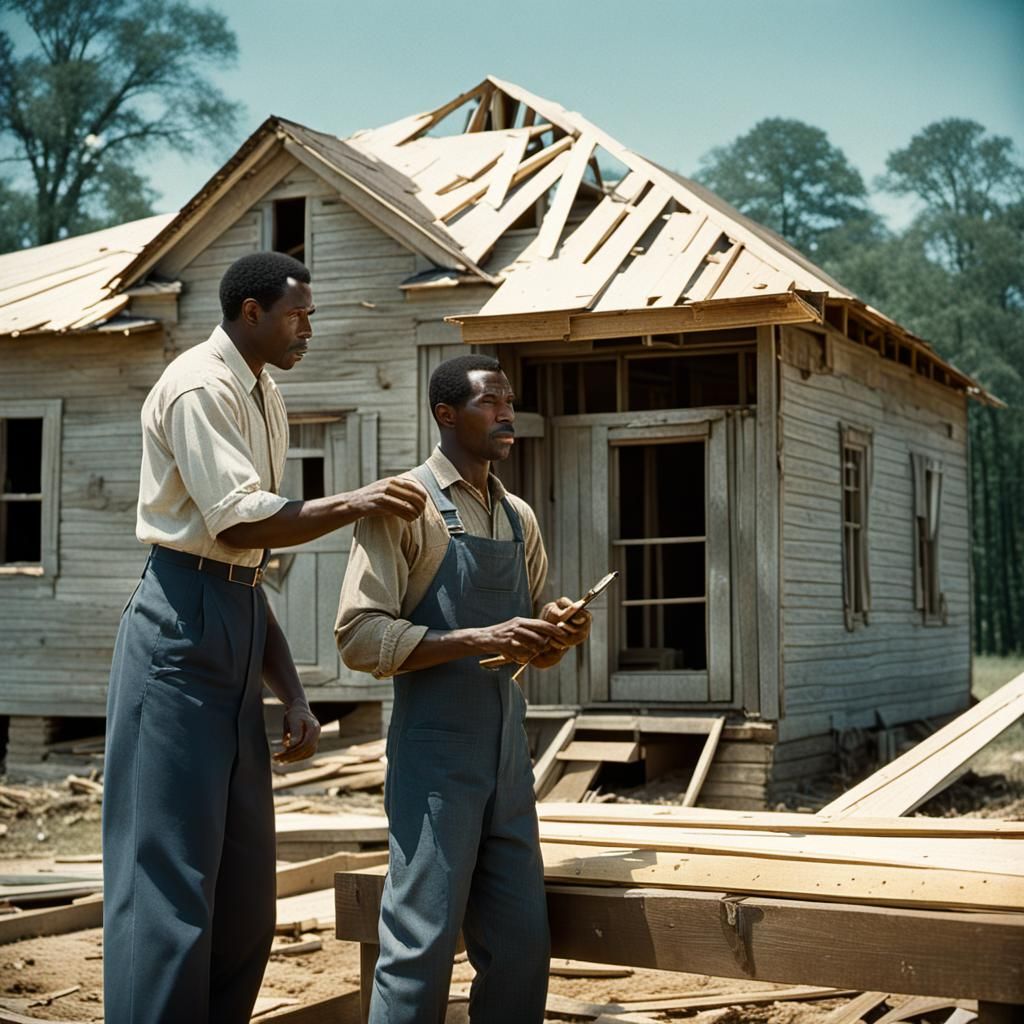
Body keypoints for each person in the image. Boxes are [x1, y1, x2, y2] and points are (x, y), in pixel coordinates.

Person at [102, 251, 427, 1024]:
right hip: (178, 629)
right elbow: (239, 520)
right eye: (297, 315)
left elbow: (247, 565)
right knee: (168, 885)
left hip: (237, 621)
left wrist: (295, 694)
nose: (308, 328)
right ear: (251, 312)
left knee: (245, 895)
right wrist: (355, 501)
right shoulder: (199, 386)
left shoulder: (266, 393)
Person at [336, 354, 592, 1023]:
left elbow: (532, 645)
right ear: (445, 415)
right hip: (434, 761)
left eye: (509, 402)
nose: (507, 414)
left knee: (519, 950)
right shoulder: (403, 507)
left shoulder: (518, 518)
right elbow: (359, 637)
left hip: (509, 761)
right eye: (489, 403)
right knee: (419, 948)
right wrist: (479, 638)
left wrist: (558, 633)